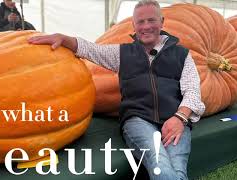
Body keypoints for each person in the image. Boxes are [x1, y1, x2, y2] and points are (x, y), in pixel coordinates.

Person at [28, 0, 205, 179]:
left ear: (162, 22)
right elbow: (91, 50)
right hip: (138, 120)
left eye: (151, 20)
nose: (146, 26)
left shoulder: (182, 55)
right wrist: (64, 38)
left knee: (178, 168)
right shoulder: (122, 53)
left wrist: (179, 118)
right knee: (159, 162)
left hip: (175, 119)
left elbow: (192, 91)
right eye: (140, 22)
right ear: (134, 25)